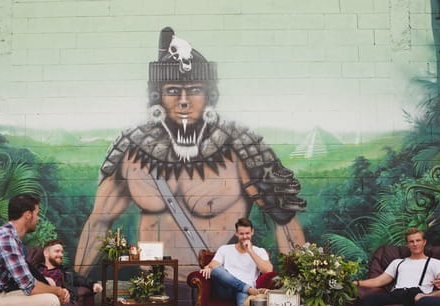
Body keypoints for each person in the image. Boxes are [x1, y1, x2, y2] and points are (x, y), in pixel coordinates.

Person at [74, 27, 306, 279]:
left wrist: (301, 286)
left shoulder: (240, 144)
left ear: (209, 96)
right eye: (173, 90)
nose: (184, 101)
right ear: (157, 97)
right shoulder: (132, 148)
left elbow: (283, 218)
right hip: (153, 287)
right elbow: (98, 223)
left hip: (220, 283)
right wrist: (75, 284)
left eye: (195, 90)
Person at [199, 217, 272, 306]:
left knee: (243, 295)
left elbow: (268, 270)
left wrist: (250, 252)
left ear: (252, 233)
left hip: (242, 294)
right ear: (236, 234)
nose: (244, 237)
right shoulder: (225, 249)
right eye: (241, 234)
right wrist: (208, 267)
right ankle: (247, 288)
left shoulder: (259, 251)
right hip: (225, 290)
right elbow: (215, 265)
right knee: (216, 270)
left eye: (247, 233)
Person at [38, 239, 103, 300]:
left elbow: (80, 279)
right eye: (57, 251)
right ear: (46, 253)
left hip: (58, 299)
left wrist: (93, 284)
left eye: (62, 252)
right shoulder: (36, 270)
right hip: (39, 298)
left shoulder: (66, 272)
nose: (61, 255)